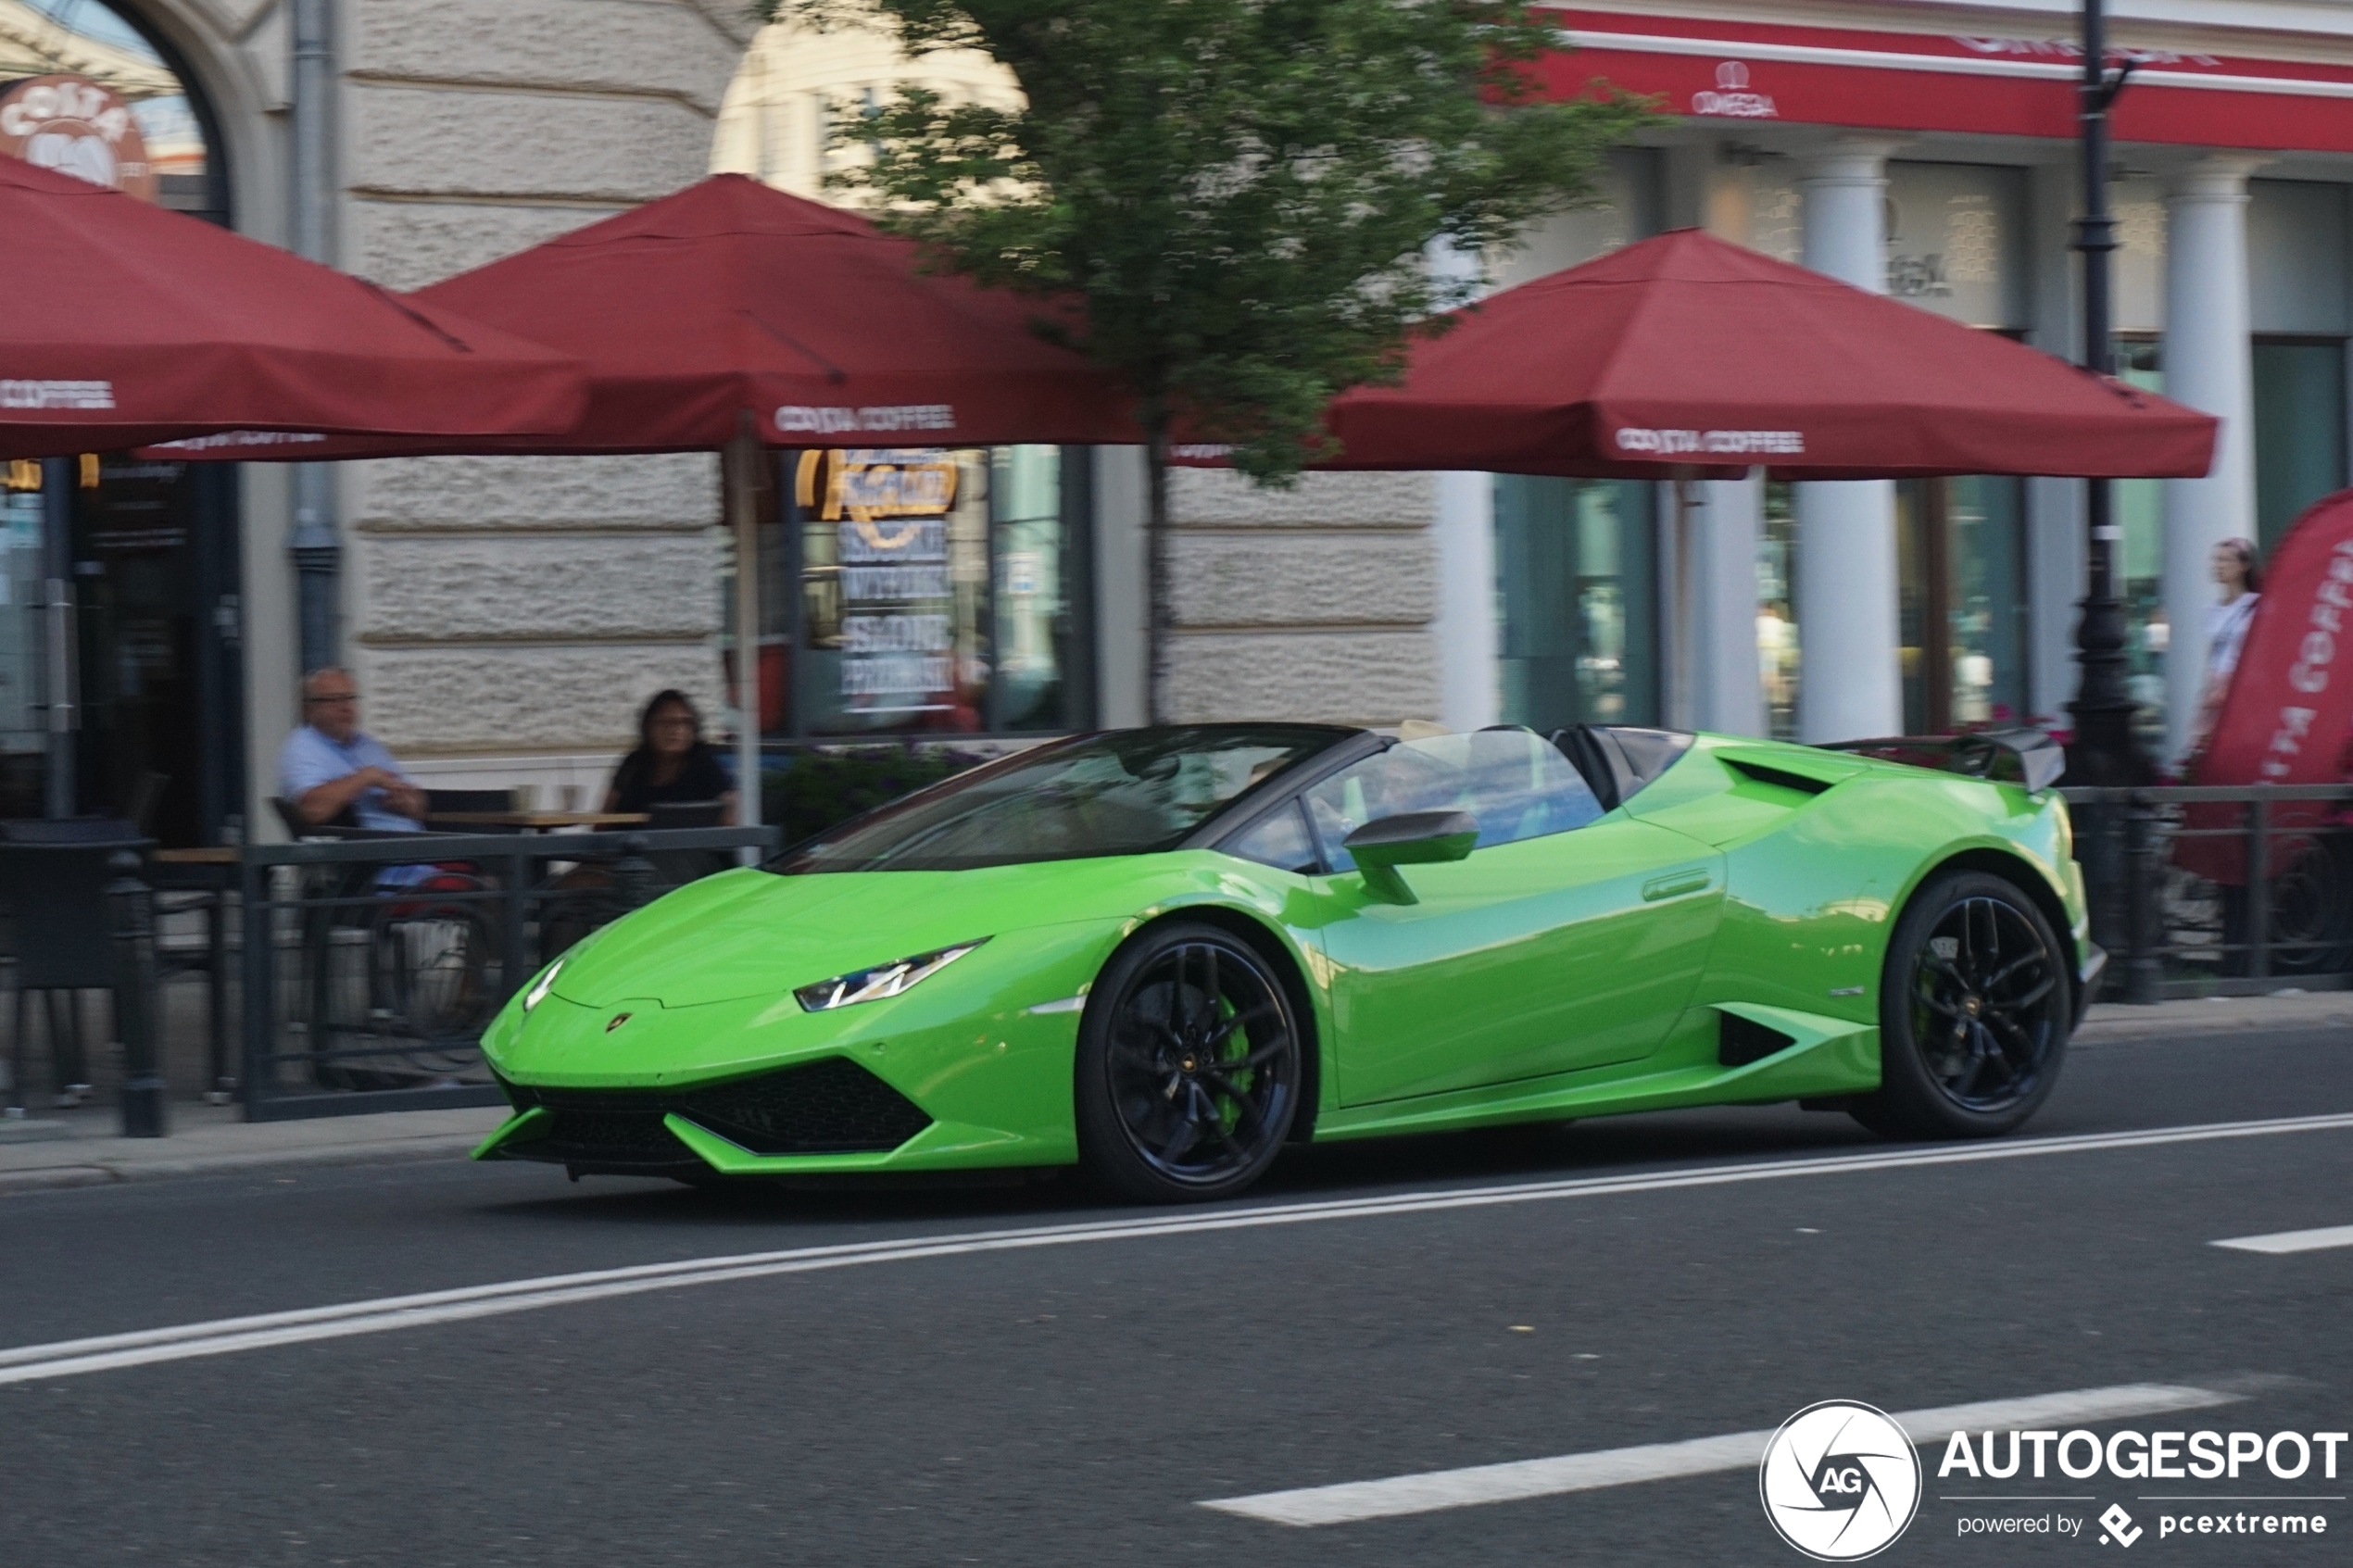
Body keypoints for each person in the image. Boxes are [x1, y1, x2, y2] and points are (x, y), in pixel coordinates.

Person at [279, 667, 426, 831]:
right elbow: (312, 810)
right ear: (308, 709)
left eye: (350, 698)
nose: (346, 707)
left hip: (415, 844)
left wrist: (409, 803)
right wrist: (365, 777)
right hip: (366, 850)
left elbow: (417, 805)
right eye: (334, 700)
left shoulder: (368, 745)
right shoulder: (303, 747)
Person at [604, 689, 737, 822]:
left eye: (685, 722)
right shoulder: (633, 764)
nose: (675, 730)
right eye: (666, 722)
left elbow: (731, 814)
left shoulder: (706, 765)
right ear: (648, 726)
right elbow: (605, 818)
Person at [2192, 536, 2262, 752]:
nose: (2219, 566)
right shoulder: (2212, 610)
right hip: (2217, 683)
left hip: (2241, 681)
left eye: (2226, 560)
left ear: (2243, 566)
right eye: (2217, 560)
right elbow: (2213, 652)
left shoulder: (2255, 605)